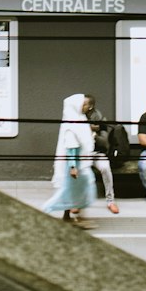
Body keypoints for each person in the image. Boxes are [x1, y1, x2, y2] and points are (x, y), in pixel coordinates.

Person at [42, 92, 98, 227]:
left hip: (80, 165)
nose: (86, 107)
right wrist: (73, 167)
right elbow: (71, 148)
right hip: (76, 166)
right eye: (83, 104)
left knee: (74, 191)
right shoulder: (71, 125)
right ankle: (73, 216)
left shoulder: (80, 120)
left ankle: (72, 216)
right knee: (76, 190)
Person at [83, 94, 120, 213]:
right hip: (82, 154)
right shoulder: (77, 117)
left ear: (90, 106)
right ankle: (77, 202)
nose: (81, 106)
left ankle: (111, 201)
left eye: (84, 104)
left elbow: (104, 143)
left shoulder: (99, 119)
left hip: (97, 153)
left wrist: (92, 133)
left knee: (105, 168)